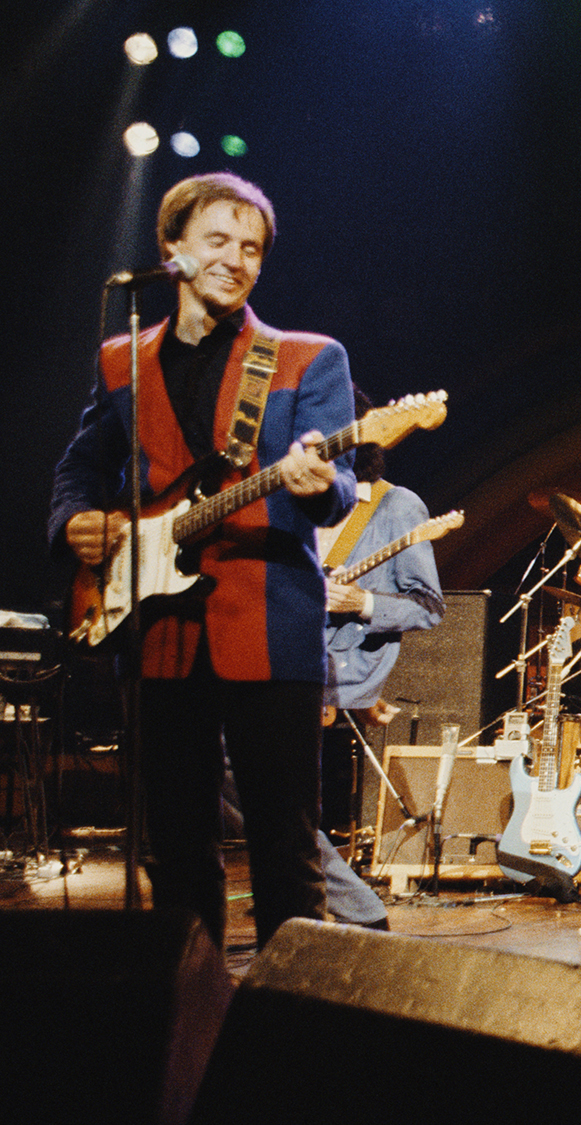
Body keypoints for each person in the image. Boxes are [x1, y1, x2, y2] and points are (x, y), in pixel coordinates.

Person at [49, 172, 356, 950]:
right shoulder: (122, 359)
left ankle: (291, 1026)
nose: (236, 259)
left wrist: (322, 484)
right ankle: (184, 1018)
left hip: (269, 623)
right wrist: (76, 522)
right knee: (176, 847)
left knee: (285, 847)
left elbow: (339, 487)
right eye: (218, 240)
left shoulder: (306, 359)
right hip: (156, 628)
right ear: (171, 247)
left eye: (251, 248)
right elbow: (81, 466)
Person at [318, 392, 445, 927]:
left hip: (330, 668)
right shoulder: (289, 504)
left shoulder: (396, 507)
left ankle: (357, 912)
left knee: (269, 797)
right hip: (273, 655)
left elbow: (427, 607)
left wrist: (360, 602)